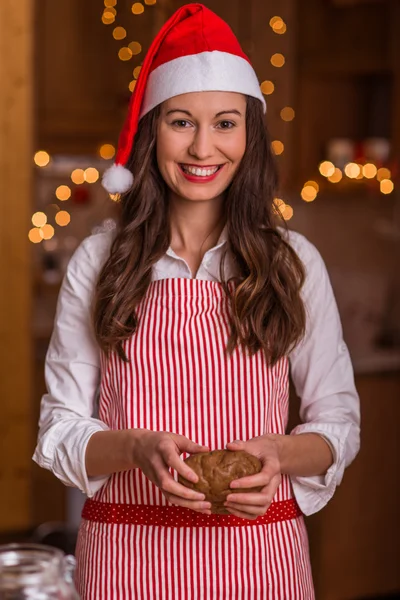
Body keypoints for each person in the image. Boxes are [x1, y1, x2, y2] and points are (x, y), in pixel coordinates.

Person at [33, 4, 360, 599]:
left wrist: (278, 455)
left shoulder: (292, 262)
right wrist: (136, 446)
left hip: (260, 562)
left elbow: (338, 423)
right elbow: (59, 429)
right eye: (182, 122)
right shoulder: (101, 260)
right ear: (153, 127)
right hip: (126, 564)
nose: (203, 147)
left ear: (249, 134)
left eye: (225, 123)